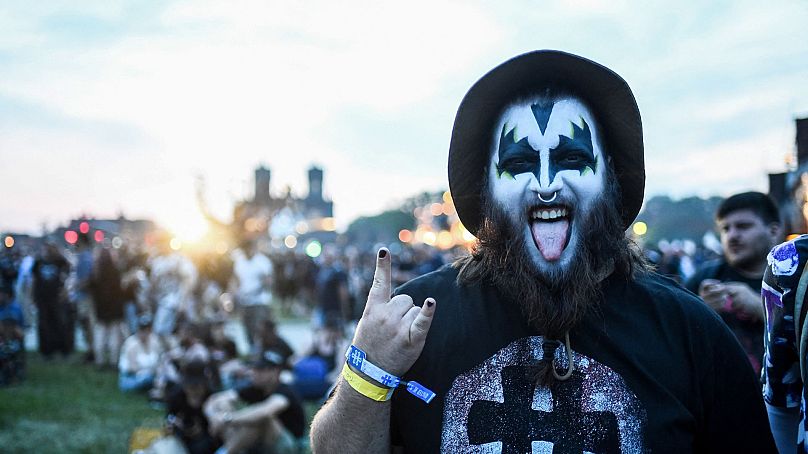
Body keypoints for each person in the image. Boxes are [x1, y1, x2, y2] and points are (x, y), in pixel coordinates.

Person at [310, 50, 776, 452]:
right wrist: (368, 373)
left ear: (609, 177)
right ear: (487, 186)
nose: (548, 184)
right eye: (519, 164)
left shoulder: (690, 333)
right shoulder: (418, 321)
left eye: (572, 159)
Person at [685, 191, 783, 374]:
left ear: (773, 231)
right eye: (725, 229)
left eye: (743, 226)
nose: (732, 236)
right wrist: (700, 310)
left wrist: (761, 308)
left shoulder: (795, 278)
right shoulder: (704, 277)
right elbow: (673, 338)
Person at [204, 349, 305, 454]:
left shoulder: (286, 390)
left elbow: (266, 412)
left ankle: (226, 451)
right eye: (254, 368)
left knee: (262, 420)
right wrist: (213, 417)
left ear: (276, 371)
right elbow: (215, 399)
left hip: (290, 445)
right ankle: (234, 449)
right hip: (261, 442)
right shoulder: (256, 388)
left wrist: (226, 419)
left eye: (260, 369)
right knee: (224, 405)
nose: (254, 372)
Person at [231, 240, 273, 350]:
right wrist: (235, 293)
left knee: (258, 326)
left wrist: (255, 291)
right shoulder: (239, 261)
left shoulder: (262, 261)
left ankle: (262, 349)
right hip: (244, 300)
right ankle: (251, 348)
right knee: (246, 326)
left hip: (259, 300)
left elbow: (268, 281)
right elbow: (236, 279)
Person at [119, 315, 162, 392]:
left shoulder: (155, 341)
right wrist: (149, 372)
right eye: (142, 330)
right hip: (132, 377)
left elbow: (159, 361)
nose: (145, 333)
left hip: (151, 374)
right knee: (147, 379)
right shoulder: (131, 343)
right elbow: (132, 368)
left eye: (147, 330)